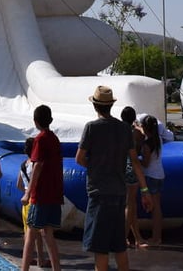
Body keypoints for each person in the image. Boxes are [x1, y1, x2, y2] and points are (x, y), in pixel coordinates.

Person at [76, 86, 152, 271]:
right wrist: (145, 190)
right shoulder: (124, 129)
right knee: (119, 247)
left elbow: (79, 158)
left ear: (95, 105)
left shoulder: (91, 128)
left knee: (100, 249)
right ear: (111, 105)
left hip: (99, 194)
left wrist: (95, 167)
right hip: (119, 193)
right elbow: (135, 161)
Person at [21, 104, 63, 271]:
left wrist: (28, 193)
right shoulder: (54, 139)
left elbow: (37, 166)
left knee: (31, 233)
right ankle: (57, 268)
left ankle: (24, 268)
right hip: (54, 193)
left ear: (35, 121)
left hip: (41, 194)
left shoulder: (40, 139)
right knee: (48, 233)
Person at [16, 137, 48, 268]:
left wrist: (25, 191)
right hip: (35, 199)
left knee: (27, 232)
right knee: (39, 232)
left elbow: (18, 184)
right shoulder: (36, 165)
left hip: (25, 201)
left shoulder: (23, 165)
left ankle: (27, 258)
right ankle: (40, 258)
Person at [136, 114, 165, 247]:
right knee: (157, 207)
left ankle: (155, 237)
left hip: (150, 176)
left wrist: (136, 159)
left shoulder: (147, 145)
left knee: (154, 208)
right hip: (159, 174)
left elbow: (146, 163)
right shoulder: (157, 139)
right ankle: (157, 236)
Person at [118, 106, 144, 248]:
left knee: (129, 204)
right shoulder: (135, 133)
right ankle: (124, 236)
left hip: (120, 169)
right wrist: (139, 128)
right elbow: (142, 141)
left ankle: (136, 236)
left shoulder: (118, 131)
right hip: (131, 169)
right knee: (131, 204)